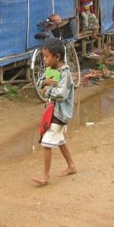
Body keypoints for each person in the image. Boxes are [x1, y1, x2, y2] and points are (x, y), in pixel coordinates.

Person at [32, 38, 77, 186]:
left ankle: (45, 176)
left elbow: (61, 94)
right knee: (60, 140)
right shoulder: (50, 70)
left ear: (57, 56)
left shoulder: (65, 73)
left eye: (46, 56)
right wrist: (45, 83)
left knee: (47, 142)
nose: (44, 60)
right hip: (52, 111)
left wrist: (47, 89)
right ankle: (71, 166)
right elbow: (40, 83)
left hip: (60, 114)